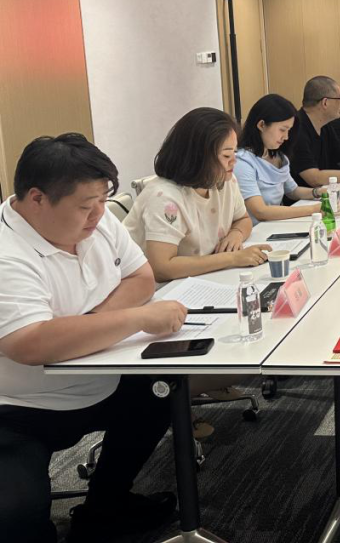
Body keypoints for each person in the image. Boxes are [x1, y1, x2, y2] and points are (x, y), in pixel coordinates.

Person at [0, 134, 186, 543]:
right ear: (37, 199)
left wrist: (90, 326)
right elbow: (28, 344)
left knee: (162, 389)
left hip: (102, 382)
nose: (99, 215)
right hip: (19, 409)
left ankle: (105, 507)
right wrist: (136, 318)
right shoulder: (7, 253)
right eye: (87, 206)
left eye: (104, 200)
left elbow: (141, 277)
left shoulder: (96, 220)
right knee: (15, 515)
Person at [124, 108, 270, 282]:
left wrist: (236, 234)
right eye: (226, 155)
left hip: (203, 278)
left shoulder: (225, 180)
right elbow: (162, 268)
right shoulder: (164, 197)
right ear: (198, 157)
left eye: (234, 153)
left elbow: (243, 219)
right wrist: (232, 258)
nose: (234, 162)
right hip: (162, 288)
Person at [234, 94, 334, 224]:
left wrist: (319, 192)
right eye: (282, 130)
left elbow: (293, 190)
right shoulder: (243, 162)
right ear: (261, 125)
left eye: (289, 130)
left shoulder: (278, 156)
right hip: (256, 230)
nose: (286, 137)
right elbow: (261, 211)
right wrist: (313, 209)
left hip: (276, 225)